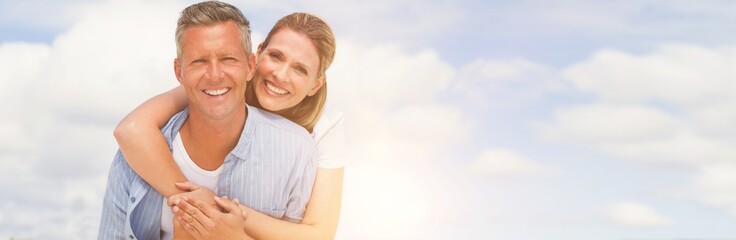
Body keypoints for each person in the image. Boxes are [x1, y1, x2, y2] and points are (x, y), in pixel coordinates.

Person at [113, 5, 344, 240]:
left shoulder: (318, 135)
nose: (280, 75)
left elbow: (318, 234)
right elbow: (132, 130)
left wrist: (217, 215)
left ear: (316, 84)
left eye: (300, 69)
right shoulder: (218, 87)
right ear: (258, 55)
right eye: (276, 56)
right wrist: (193, 203)